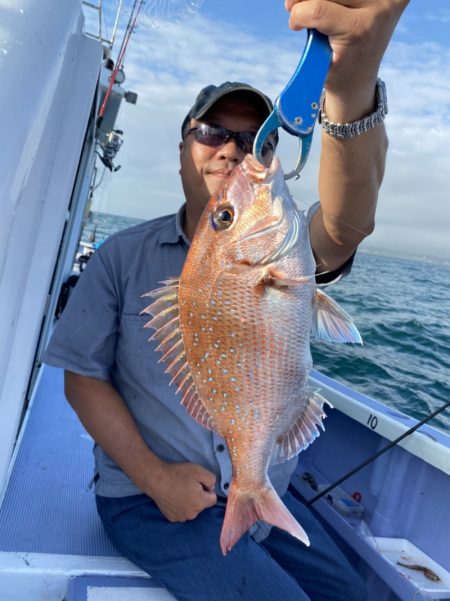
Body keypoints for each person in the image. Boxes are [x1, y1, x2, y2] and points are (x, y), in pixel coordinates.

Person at [43, 1, 409, 599]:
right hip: (149, 500)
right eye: (213, 132)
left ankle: (252, 490)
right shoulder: (120, 258)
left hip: (264, 485)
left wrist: (353, 83)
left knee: (355, 595)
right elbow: (82, 379)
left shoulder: (284, 249)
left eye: (251, 139)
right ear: (183, 147)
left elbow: (345, 225)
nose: (232, 150)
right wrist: (155, 477)